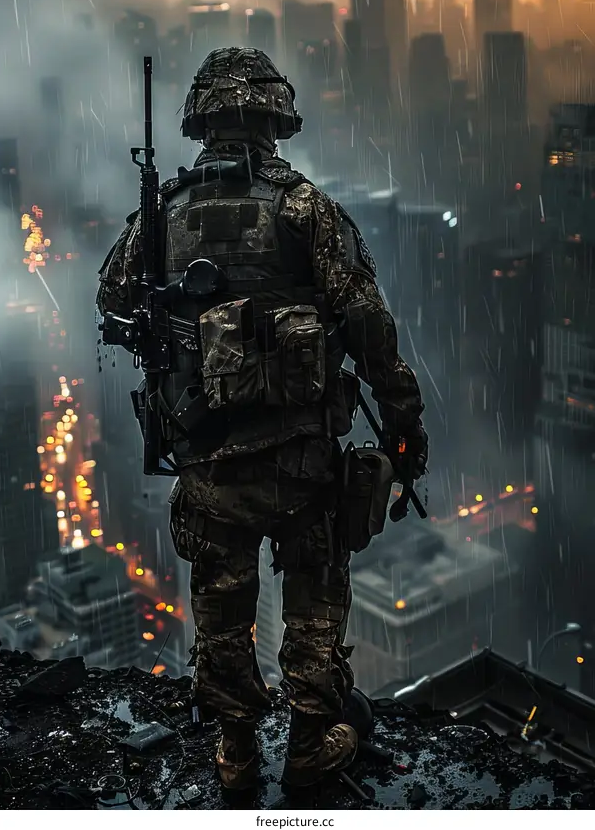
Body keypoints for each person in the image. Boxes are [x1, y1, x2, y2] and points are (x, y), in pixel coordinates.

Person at [96, 47, 428, 792]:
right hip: (300, 458)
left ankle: (236, 751)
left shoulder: (164, 213)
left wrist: (178, 311)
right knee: (313, 604)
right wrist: (405, 423)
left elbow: (112, 299)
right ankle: (310, 742)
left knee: (221, 610)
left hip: (208, 461)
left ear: (201, 123)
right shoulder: (305, 208)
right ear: (275, 121)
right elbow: (370, 329)